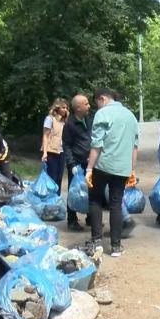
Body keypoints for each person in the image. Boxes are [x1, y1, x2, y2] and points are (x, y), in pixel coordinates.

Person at [84, 88, 139, 257]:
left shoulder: (103, 114)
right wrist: (132, 170)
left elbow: (97, 145)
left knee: (95, 200)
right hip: (122, 168)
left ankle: (97, 242)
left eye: (97, 103)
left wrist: (89, 168)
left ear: (102, 98)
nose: (97, 107)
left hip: (102, 165)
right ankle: (116, 246)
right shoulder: (130, 115)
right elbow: (134, 146)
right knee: (116, 204)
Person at [63, 94, 93, 232]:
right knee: (74, 191)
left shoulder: (88, 120)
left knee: (91, 190)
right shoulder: (70, 124)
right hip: (76, 164)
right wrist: (71, 164)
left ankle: (90, 216)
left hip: (89, 162)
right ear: (78, 108)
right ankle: (72, 219)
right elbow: (67, 145)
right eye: (86, 104)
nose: (89, 106)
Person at [41, 98, 69, 195]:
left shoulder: (64, 121)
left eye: (66, 108)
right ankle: (49, 198)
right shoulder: (50, 119)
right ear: (57, 108)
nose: (65, 110)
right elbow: (45, 136)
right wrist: (44, 152)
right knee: (51, 177)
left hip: (61, 151)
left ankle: (57, 198)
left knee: (59, 178)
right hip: (51, 151)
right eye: (63, 107)